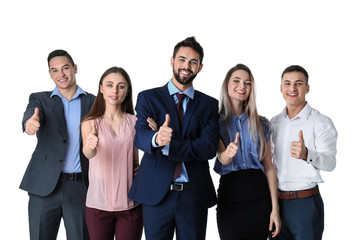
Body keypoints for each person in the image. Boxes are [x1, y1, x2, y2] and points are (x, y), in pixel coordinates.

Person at [128, 36, 219, 240]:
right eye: (182, 59)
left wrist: (168, 146)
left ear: (200, 67)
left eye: (193, 62)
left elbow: (208, 148)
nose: (186, 66)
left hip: (193, 195)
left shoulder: (209, 104)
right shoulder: (148, 97)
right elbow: (140, 136)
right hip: (156, 194)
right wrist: (156, 139)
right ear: (172, 61)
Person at [20, 49, 95, 239]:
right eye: (54, 70)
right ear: (50, 74)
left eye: (65, 68)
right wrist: (30, 124)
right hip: (43, 187)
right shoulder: (40, 99)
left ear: (75, 68)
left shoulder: (93, 102)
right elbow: (31, 115)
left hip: (80, 186)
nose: (60, 74)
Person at [214, 64, 281, 239]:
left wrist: (275, 209)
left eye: (247, 83)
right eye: (236, 81)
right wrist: (228, 154)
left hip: (259, 196)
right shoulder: (215, 123)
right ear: (226, 84)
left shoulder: (262, 124)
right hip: (230, 195)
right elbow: (222, 159)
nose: (242, 86)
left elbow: (269, 167)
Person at [270, 65, 337, 240]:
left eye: (298, 83)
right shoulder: (273, 123)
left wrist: (308, 154)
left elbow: (330, 163)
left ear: (307, 88)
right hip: (275, 204)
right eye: (287, 83)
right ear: (281, 88)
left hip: (305, 204)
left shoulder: (320, 122)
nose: (292, 88)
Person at [81, 67, 143, 240]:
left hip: (131, 204)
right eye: (109, 85)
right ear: (101, 88)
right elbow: (88, 153)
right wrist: (91, 144)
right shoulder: (90, 123)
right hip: (98, 205)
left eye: (121, 86)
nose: (114, 91)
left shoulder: (136, 122)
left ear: (127, 90)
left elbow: (151, 150)